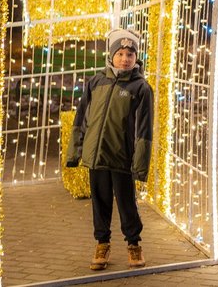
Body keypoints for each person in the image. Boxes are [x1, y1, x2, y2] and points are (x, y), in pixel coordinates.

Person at [66, 28, 154, 271]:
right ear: (111, 55)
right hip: (97, 156)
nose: (125, 58)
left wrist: (140, 165)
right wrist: (76, 151)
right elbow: (82, 117)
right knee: (100, 201)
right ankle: (102, 243)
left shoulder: (141, 88)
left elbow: (144, 131)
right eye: (121, 53)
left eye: (130, 54)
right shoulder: (96, 82)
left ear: (136, 58)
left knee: (127, 203)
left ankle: (134, 244)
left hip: (122, 158)